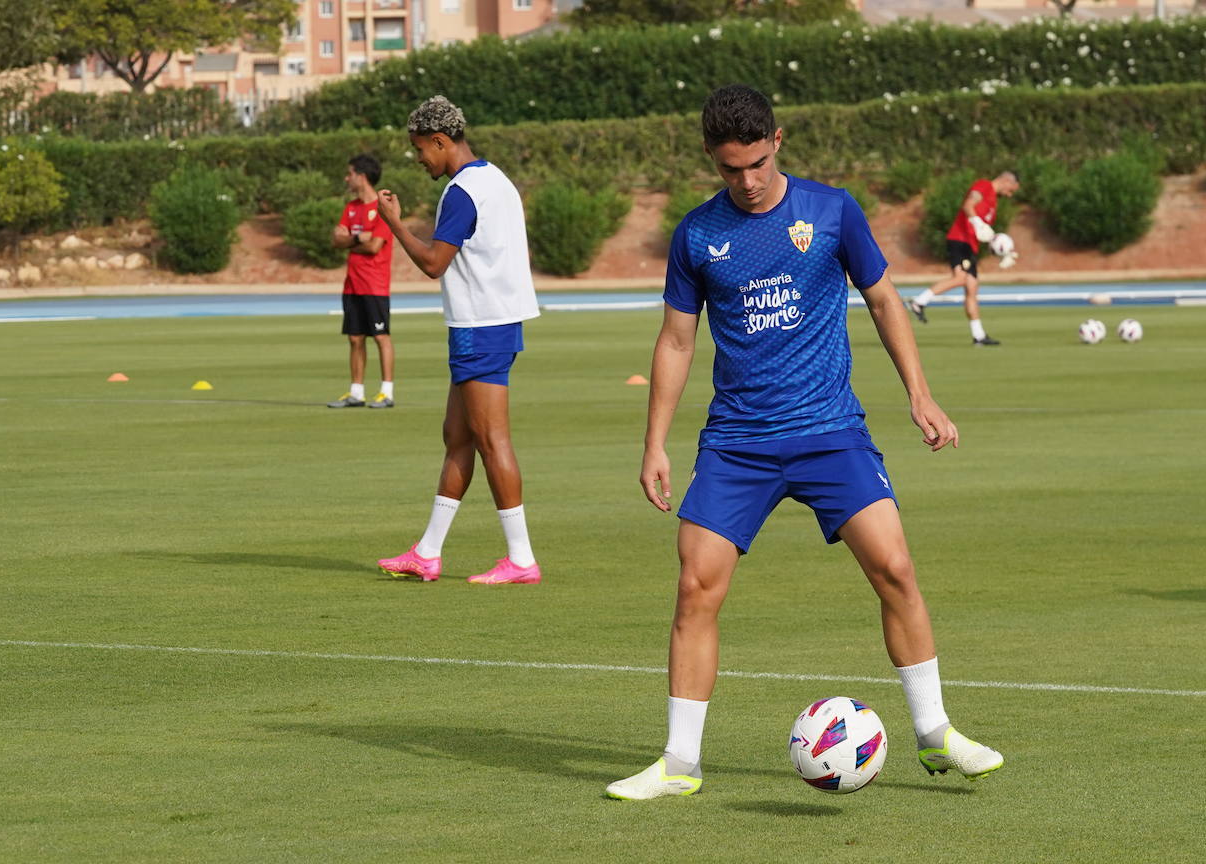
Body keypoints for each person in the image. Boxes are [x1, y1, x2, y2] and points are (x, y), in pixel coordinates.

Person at [606, 85, 1002, 801]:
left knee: (896, 568)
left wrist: (919, 393)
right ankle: (679, 764)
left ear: (778, 142)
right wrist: (654, 442)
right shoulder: (696, 235)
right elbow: (675, 339)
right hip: (738, 442)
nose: (748, 181)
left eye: (757, 163)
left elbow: (883, 298)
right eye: (732, 169)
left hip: (830, 431)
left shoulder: (831, 211)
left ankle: (936, 734)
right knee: (696, 585)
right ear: (713, 159)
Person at [375, 96, 542, 585]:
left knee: (492, 441)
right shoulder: (497, 179)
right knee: (458, 437)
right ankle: (427, 552)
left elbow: (432, 263)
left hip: (480, 327)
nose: (419, 159)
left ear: (439, 140)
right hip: (495, 324)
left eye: (420, 150)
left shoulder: (463, 191)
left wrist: (393, 223)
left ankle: (521, 559)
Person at [908, 171, 1020, 345]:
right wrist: (977, 222)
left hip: (970, 245)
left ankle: (979, 336)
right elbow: (968, 205)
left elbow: (982, 233)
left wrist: (1001, 249)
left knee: (972, 288)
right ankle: (919, 301)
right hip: (959, 240)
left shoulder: (993, 203)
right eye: (1011, 189)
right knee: (960, 278)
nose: (1010, 194)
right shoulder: (984, 185)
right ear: (1007, 180)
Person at [327, 154, 397, 409]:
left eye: (350, 173)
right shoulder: (351, 207)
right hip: (352, 284)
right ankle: (356, 392)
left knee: (381, 336)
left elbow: (375, 246)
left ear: (362, 176)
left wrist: (351, 240)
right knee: (355, 338)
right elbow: (337, 241)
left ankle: (387, 391)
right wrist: (358, 238)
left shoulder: (382, 207)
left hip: (375, 285)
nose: (347, 178)